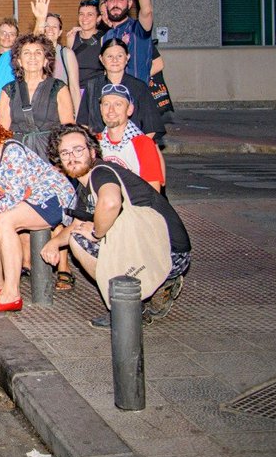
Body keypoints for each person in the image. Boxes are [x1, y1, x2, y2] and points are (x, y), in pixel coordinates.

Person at [43, 124, 190, 327]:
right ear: (59, 161)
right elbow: (77, 223)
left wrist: (96, 233)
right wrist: (53, 244)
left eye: (78, 150)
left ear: (92, 151)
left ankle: (125, 307)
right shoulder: (86, 184)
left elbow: (110, 202)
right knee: (78, 232)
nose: (72, 157)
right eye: (65, 153)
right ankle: (154, 288)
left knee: (79, 241)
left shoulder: (100, 173)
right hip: (160, 247)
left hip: (168, 252)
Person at [0, 107, 76, 313]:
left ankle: (12, 293)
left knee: (4, 220)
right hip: (20, 201)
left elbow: (12, 198)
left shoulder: (11, 151)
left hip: (51, 197)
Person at [0, 34, 74, 160]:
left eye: (38, 52)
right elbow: (2, 133)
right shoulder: (8, 91)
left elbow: (68, 130)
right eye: (26, 53)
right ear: (19, 61)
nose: (32, 57)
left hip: (50, 156)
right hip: (17, 156)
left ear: (45, 60)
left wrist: (63, 163)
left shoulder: (59, 88)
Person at [77, 38, 164, 140]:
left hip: (132, 146)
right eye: (109, 56)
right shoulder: (92, 86)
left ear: (127, 58)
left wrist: (135, 149)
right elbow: (83, 123)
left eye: (120, 56)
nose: (115, 60)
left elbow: (151, 128)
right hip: (99, 147)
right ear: (101, 59)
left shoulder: (139, 87)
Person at [96, 83, 166, 191]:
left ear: (129, 110)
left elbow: (153, 191)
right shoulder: (95, 141)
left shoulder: (143, 143)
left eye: (118, 104)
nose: (111, 110)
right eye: (106, 104)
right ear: (100, 109)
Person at [101, 0, 154, 82]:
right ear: (106, 4)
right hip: (113, 97)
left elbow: (146, 11)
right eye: (111, 0)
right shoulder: (106, 36)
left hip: (136, 98)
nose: (115, 4)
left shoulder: (138, 29)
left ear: (129, 3)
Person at [69, 0, 105, 85]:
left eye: (90, 14)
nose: (85, 18)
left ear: (98, 18)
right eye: (81, 14)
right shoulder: (72, 37)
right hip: (76, 90)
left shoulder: (105, 38)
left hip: (97, 89)